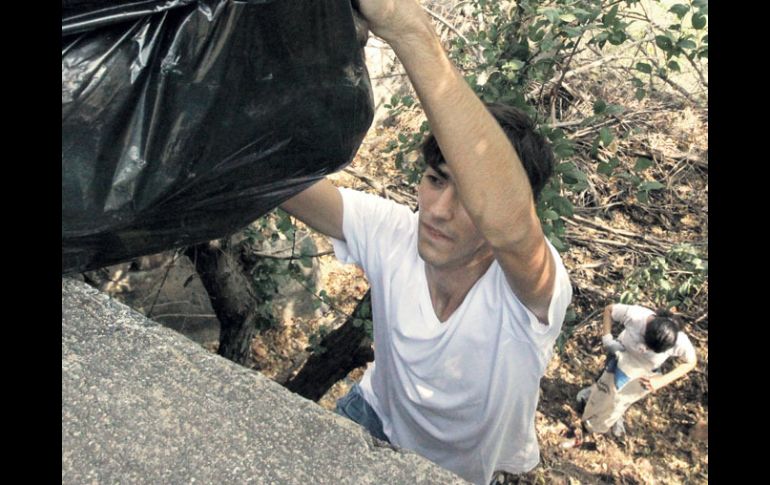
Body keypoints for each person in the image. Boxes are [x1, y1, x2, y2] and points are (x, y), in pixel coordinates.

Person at [280, 1, 572, 483]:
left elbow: (511, 227)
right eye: (435, 180)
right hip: (373, 415)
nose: (436, 211)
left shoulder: (530, 296)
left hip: (463, 472)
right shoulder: (392, 230)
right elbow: (280, 181)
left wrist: (410, 31)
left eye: (471, 201)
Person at [577, 303, 698, 437]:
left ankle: (615, 416)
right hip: (620, 353)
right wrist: (608, 340)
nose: (645, 350)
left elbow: (691, 362)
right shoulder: (637, 316)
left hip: (642, 369)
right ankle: (592, 393)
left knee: (623, 397)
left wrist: (661, 381)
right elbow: (609, 309)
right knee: (606, 381)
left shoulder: (679, 341)